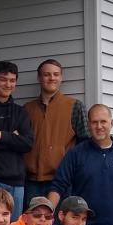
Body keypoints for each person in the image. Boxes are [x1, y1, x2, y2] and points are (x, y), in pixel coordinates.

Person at [24, 58, 88, 199]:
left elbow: (85, 143)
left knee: (60, 221)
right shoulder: (27, 109)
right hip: (31, 181)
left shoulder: (74, 106)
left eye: (56, 74)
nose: (52, 78)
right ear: (39, 78)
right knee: (32, 221)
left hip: (62, 180)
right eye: (47, 74)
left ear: (61, 77)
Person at [0, 61, 34, 218]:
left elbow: (27, 143)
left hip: (17, 182)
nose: (8, 84)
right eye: (3, 79)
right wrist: (13, 138)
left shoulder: (20, 112)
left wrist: (0, 135)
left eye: (12, 80)